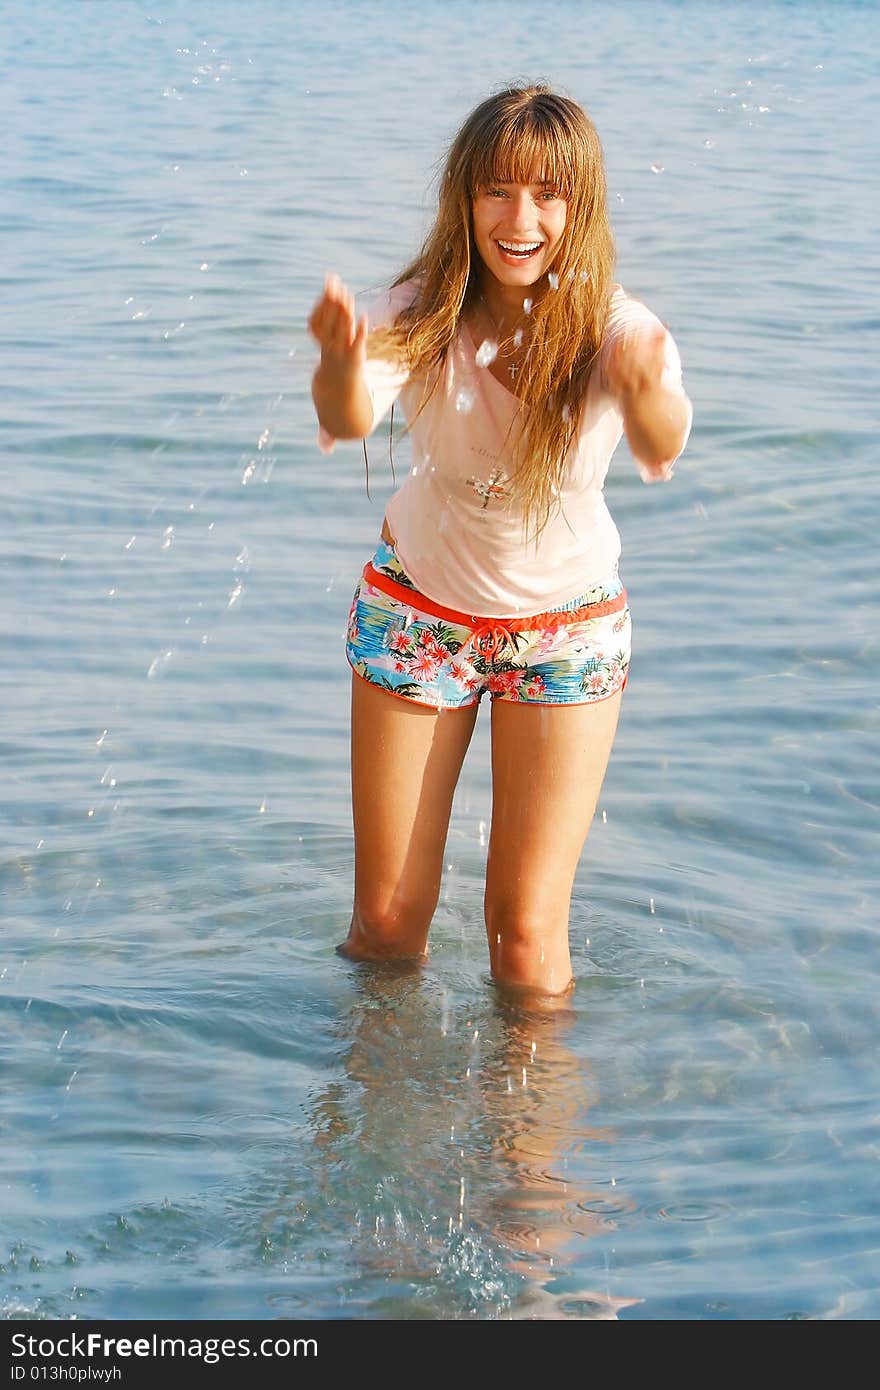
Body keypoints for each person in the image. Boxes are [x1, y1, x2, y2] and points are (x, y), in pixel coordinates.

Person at [308, 85, 692, 998]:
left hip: (565, 630)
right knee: (387, 924)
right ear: (464, 197)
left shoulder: (617, 329)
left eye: (547, 195)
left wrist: (644, 395)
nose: (520, 220)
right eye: (497, 191)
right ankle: (375, 1121)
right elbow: (354, 409)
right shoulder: (421, 309)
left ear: (581, 205)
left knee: (524, 938)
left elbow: (660, 440)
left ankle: (525, 1141)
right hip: (418, 616)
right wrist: (336, 362)